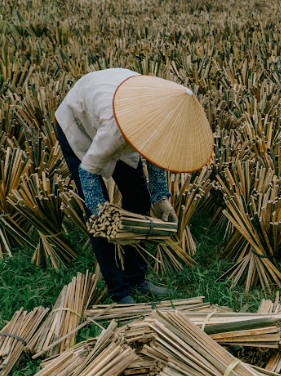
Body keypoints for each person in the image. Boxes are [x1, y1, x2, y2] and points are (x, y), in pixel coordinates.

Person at [56, 68, 213, 304]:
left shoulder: (161, 111)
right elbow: (87, 172)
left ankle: (136, 278)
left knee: (139, 198)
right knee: (97, 214)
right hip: (78, 122)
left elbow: (156, 155)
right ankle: (118, 290)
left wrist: (160, 198)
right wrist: (104, 215)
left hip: (110, 110)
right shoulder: (115, 131)